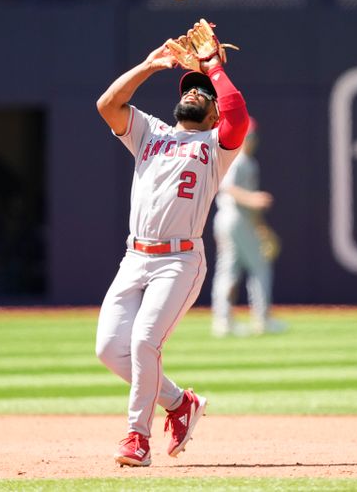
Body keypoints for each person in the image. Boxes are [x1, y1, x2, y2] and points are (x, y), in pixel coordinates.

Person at [94, 40, 250, 467]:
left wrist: (214, 68)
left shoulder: (217, 146)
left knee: (144, 341)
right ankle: (181, 403)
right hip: (135, 257)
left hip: (180, 261)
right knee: (110, 349)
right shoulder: (150, 131)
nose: (194, 92)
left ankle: (136, 438)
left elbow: (238, 117)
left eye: (204, 93)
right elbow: (108, 104)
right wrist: (148, 65)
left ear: (214, 112)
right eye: (189, 88)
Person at [211, 118, 286, 337]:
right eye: (248, 135)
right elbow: (227, 188)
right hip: (234, 218)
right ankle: (262, 319)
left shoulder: (241, 160)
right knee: (260, 266)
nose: (252, 140)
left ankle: (223, 322)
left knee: (229, 271)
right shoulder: (239, 159)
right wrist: (253, 199)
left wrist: (262, 227)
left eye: (252, 135)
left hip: (233, 219)